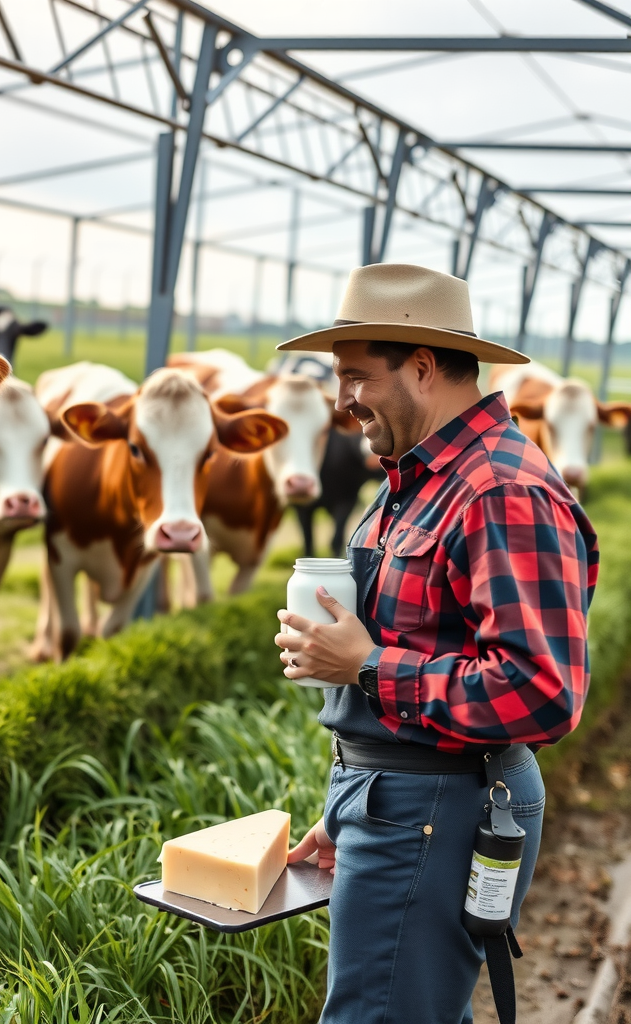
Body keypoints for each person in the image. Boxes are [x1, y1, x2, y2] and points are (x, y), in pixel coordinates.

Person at [273, 263, 598, 1024]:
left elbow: (540, 691)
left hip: (444, 806)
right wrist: (357, 802)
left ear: (421, 365)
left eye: (355, 376)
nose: (342, 399)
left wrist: (364, 665)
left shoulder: (499, 490)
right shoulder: (419, 478)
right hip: (406, 801)